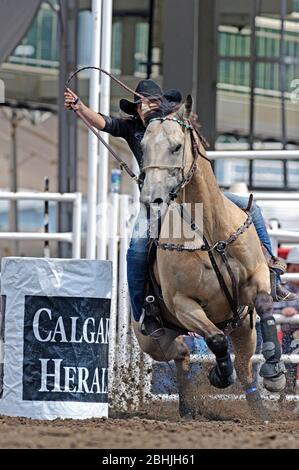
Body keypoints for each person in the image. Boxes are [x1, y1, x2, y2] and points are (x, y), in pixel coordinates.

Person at [64, 79, 296, 337]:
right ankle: (143, 311)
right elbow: (104, 122)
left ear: (161, 104)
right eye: (140, 104)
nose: (145, 107)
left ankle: (273, 272)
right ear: (136, 110)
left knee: (251, 208)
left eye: (151, 101)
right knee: (137, 250)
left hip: (197, 197)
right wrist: (81, 108)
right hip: (157, 202)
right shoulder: (131, 129)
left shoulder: (175, 125)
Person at [274, 247, 299, 393]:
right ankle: (288, 398)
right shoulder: (282, 287)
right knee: (288, 364)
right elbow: (272, 308)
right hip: (289, 334)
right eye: (295, 269)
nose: (297, 273)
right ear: (288, 268)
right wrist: (283, 311)